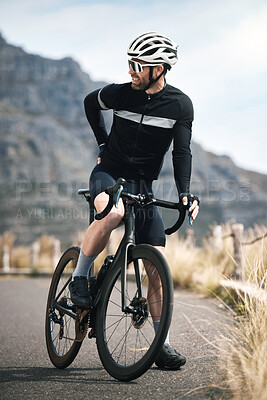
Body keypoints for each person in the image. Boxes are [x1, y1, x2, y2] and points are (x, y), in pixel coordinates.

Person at [69, 32, 200, 369]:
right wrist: (102, 145)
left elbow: (181, 151)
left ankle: (162, 345)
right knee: (112, 214)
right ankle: (79, 277)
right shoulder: (120, 94)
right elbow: (89, 103)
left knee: (154, 268)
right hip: (108, 173)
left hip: (144, 185)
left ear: (158, 69)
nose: (130, 71)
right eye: (129, 63)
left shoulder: (180, 105)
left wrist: (185, 193)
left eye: (136, 65)